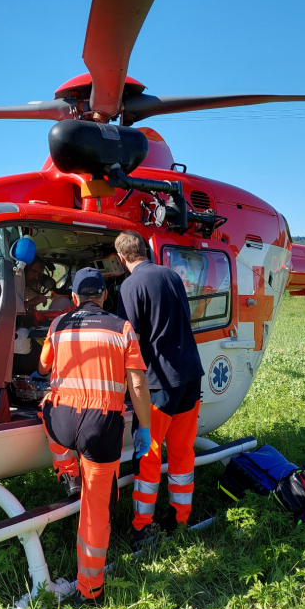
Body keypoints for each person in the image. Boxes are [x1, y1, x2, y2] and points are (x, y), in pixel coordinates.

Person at [35, 267, 152, 606]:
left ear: (73, 298)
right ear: (103, 296)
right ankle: (91, 591)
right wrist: (143, 426)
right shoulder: (122, 329)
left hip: (60, 422)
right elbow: (138, 384)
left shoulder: (58, 325)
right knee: (95, 511)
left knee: (46, 407)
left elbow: (44, 367)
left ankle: (68, 472)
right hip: (100, 427)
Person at [114, 230, 205, 546]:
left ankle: (142, 526)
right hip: (191, 376)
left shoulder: (130, 285)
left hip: (159, 384)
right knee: (182, 452)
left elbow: (128, 340)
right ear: (146, 251)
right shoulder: (172, 275)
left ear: (121, 258)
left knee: (149, 455)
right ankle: (181, 517)